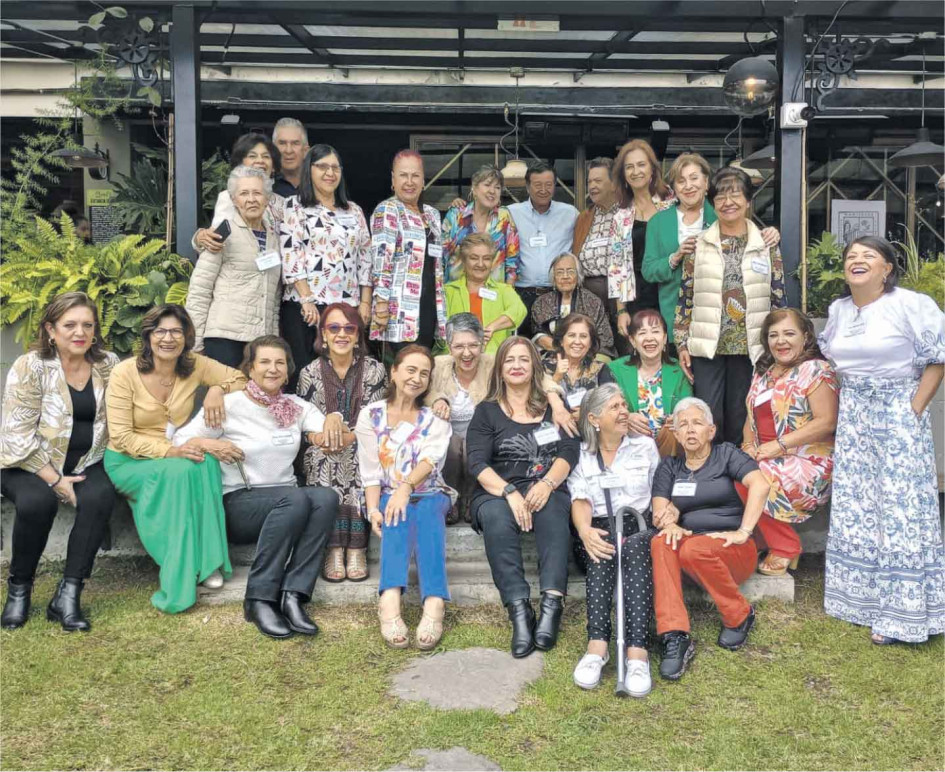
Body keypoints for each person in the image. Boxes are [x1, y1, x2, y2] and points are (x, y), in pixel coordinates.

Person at [819, 236, 944, 645]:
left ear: (887, 267)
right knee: (859, 504)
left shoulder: (911, 303)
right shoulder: (838, 310)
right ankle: (860, 601)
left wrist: (915, 409)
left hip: (897, 412)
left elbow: (938, 356)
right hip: (854, 416)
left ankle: (902, 614)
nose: (856, 260)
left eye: (867, 256)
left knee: (899, 506)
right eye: (850, 256)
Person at [173, 335, 339, 638]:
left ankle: (293, 595)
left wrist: (332, 424)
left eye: (279, 363)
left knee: (326, 498)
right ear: (250, 368)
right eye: (264, 362)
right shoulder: (228, 404)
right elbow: (180, 440)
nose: (272, 369)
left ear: (288, 371)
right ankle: (259, 598)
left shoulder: (296, 407)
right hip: (238, 502)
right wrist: (209, 444)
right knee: (296, 499)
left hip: (286, 502)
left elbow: (324, 425)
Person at [103, 305, 246, 614]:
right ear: (148, 336)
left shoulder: (194, 365)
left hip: (174, 454)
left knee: (206, 462)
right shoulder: (124, 372)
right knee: (184, 468)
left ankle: (208, 563)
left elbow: (241, 379)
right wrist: (171, 451)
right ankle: (181, 571)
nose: (168, 338)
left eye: (176, 332)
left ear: (186, 337)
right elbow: (121, 437)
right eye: (160, 331)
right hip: (128, 461)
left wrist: (216, 390)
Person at [0, 293, 120, 631]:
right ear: (51, 329)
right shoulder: (31, 365)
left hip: (85, 461)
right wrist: (55, 480)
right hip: (26, 463)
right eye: (69, 325)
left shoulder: (108, 364)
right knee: (37, 502)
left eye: (87, 325)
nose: (79, 332)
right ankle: (19, 592)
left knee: (99, 497)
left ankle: (67, 597)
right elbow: (17, 433)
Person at [466, 336, 581, 658]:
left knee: (554, 510)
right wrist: (509, 492)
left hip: (546, 485)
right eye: (509, 360)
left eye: (523, 360)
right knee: (496, 519)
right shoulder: (486, 412)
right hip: (496, 490)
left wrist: (546, 484)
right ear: (499, 369)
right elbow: (476, 462)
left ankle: (550, 605)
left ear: (534, 367)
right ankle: (518, 609)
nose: (516, 366)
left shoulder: (554, 408)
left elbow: (570, 450)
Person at [649, 398, 771, 680]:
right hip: (691, 550)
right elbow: (659, 510)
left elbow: (760, 485)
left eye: (697, 423)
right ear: (676, 435)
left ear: (711, 430)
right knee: (661, 541)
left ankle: (739, 614)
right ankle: (674, 634)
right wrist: (670, 523)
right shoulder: (669, 467)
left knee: (692, 550)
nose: (690, 430)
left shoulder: (726, 454)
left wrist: (743, 532)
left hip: (733, 549)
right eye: (683, 425)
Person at [674, 166, 786, 444]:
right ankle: (710, 473)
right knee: (708, 412)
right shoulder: (698, 245)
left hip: (751, 344)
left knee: (742, 413)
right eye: (721, 197)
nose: (728, 203)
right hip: (707, 343)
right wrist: (681, 342)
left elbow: (778, 296)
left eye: (736, 195)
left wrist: (778, 343)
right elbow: (685, 295)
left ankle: (738, 473)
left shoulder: (766, 244)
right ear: (713, 203)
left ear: (748, 201)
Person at [427, 314, 574, 525]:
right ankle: (449, 499)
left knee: (472, 446)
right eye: (459, 346)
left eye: (473, 345)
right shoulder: (437, 365)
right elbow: (422, 390)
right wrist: (437, 399)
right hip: (446, 441)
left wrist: (556, 402)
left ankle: (469, 498)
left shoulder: (494, 363)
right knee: (453, 443)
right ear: (449, 347)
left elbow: (540, 377)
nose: (467, 353)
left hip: (485, 440)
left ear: (482, 345)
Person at [355, 345, 454, 650]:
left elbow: (429, 462)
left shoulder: (435, 421)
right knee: (394, 511)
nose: (417, 378)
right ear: (394, 372)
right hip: (385, 493)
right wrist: (373, 510)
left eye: (424, 373)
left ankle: (435, 602)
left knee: (426, 510)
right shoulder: (370, 415)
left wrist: (405, 487)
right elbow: (370, 471)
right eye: (411, 370)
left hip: (430, 491)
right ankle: (390, 599)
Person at [569, 384, 660, 695]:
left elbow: (658, 492)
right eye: (615, 407)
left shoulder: (644, 447)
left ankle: (637, 653)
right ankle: (598, 645)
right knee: (600, 546)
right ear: (594, 418)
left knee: (634, 547)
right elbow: (580, 499)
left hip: (638, 526)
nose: (624, 412)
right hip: (598, 526)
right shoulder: (581, 454)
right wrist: (585, 530)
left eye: (624, 405)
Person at [642, 153, 780, 353]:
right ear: (674, 187)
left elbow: (744, 239)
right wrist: (676, 256)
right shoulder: (658, 222)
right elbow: (648, 270)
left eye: (694, 178)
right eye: (681, 181)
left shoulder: (723, 210)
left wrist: (769, 233)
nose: (688, 186)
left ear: (706, 182)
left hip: (724, 321)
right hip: (675, 313)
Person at [741, 308, 839, 575]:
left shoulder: (816, 370)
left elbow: (826, 421)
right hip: (769, 455)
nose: (780, 341)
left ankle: (785, 545)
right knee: (728, 465)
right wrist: (748, 446)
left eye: (789, 333)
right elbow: (750, 416)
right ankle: (763, 539)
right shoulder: (763, 371)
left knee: (748, 478)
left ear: (806, 336)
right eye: (773, 335)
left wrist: (779, 445)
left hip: (809, 460)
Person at [297, 304, 388, 582]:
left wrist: (347, 436)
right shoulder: (309, 372)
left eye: (349, 328)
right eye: (334, 328)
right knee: (323, 456)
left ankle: (356, 547)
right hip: (323, 445)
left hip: (365, 441)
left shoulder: (375, 370)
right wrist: (318, 436)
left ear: (358, 334)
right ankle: (334, 547)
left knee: (354, 454)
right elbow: (304, 422)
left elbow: (376, 418)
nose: (341, 334)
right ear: (323, 334)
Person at [280, 144, 372, 387]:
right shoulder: (295, 205)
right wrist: (306, 298)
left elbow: (365, 257)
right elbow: (291, 251)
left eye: (335, 167)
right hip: (306, 307)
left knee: (343, 372)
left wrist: (365, 302)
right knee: (304, 371)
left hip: (345, 306)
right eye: (322, 167)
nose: (330, 173)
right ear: (309, 170)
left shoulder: (354, 211)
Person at [186, 166, 282, 369]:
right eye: (244, 193)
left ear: (267, 198)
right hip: (224, 338)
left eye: (257, 193)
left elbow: (274, 297)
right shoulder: (223, 232)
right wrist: (195, 343)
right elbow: (200, 289)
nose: (251, 199)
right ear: (234, 200)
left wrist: (272, 338)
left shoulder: (275, 238)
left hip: (260, 342)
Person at [370, 149, 447, 355]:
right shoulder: (387, 210)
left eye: (415, 175)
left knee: (424, 364)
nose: (409, 181)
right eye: (403, 175)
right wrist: (381, 305)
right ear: (393, 180)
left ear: (423, 180)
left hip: (428, 304)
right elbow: (381, 262)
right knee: (404, 367)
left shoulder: (432, 215)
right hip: (399, 308)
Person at [600, 309, 693, 457]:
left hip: (671, 448)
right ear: (632, 340)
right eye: (642, 333)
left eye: (655, 332)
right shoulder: (615, 369)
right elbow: (604, 409)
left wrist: (676, 418)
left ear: (664, 338)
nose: (649, 338)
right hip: (629, 446)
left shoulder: (679, 370)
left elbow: (689, 408)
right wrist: (626, 416)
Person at [609, 140, 676, 345]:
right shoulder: (620, 217)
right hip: (636, 294)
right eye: (629, 167)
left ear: (652, 170)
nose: (636, 171)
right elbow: (617, 266)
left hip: (671, 288)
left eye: (641, 165)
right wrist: (621, 310)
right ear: (623, 176)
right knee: (643, 351)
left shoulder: (673, 205)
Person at [508, 163, 580, 338]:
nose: (543, 189)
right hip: (523, 293)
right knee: (524, 344)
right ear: (527, 186)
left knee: (558, 344)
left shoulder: (570, 213)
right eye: (537, 184)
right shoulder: (511, 212)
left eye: (548, 184)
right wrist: (461, 205)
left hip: (558, 294)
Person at [193, 132, 285, 254]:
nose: (260, 160)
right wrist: (200, 238)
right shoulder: (230, 197)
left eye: (266, 156)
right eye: (252, 156)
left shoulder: (283, 203)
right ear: (240, 163)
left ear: (273, 166)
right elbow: (214, 240)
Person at [444, 233, 527, 354]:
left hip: (494, 359)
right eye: (474, 258)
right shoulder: (448, 291)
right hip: (455, 358)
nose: (481, 264)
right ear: (464, 260)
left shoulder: (503, 290)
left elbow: (519, 310)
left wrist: (492, 327)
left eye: (487, 258)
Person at [530, 252, 616, 360]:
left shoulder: (593, 301)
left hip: (589, 354)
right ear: (554, 278)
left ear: (578, 275)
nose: (565, 276)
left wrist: (582, 352)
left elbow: (605, 337)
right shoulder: (542, 303)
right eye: (560, 272)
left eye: (570, 271)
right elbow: (537, 334)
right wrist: (552, 345)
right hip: (553, 353)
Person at [442, 165, 520, 283]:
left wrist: (508, 294)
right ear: (474, 188)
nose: (492, 191)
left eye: (497, 187)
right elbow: (440, 258)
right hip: (457, 293)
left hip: (494, 295)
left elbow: (513, 263)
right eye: (487, 185)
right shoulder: (455, 215)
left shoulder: (504, 217)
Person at [544, 314, 606, 413]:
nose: (577, 341)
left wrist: (586, 414)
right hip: (552, 426)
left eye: (583, 336)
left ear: (590, 343)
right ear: (561, 341)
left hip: (590, 425)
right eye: (571, 335)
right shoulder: (544, 367)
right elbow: (535, 405)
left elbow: (612, 405)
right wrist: (556, 377)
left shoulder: (601, 369)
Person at [272, 117, 310, 198]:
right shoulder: (263, 184)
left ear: (306, 151)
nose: (288, 150)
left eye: (295, 143)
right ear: (273, 149)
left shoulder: (319, 184)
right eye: (282, 143)